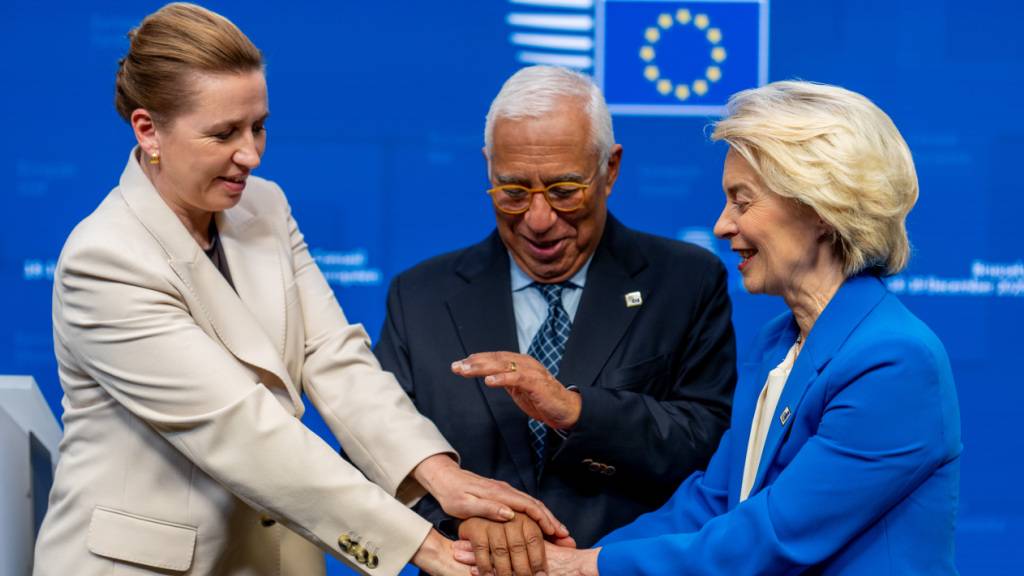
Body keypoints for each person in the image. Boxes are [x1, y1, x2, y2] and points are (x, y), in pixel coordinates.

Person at [33, 4, 566, 576]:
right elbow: (243, 433)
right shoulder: (106, 258)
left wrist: (439, 474)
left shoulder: (265, 205)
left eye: (257, 126)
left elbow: (333, 356)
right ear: (148, 130)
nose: (251, 154)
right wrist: (427, 546)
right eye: (223, 133)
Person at [454, 80, 963, 574]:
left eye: (742, 201)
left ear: (821, 209)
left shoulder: (894, 361)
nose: (722, 225)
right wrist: (573, 559)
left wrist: (587, 567)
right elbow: (710, 502)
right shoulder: (778, 343)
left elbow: (773, 536)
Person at [374, 65, 737, 575]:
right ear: (488, 169)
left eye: (565, 190)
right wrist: (458, 519)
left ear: (610, 169)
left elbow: (710, 452)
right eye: (513, 191)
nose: (538, 220)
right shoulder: (420, 297)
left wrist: (575, 411)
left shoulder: (685, 282)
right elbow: (374, 454)